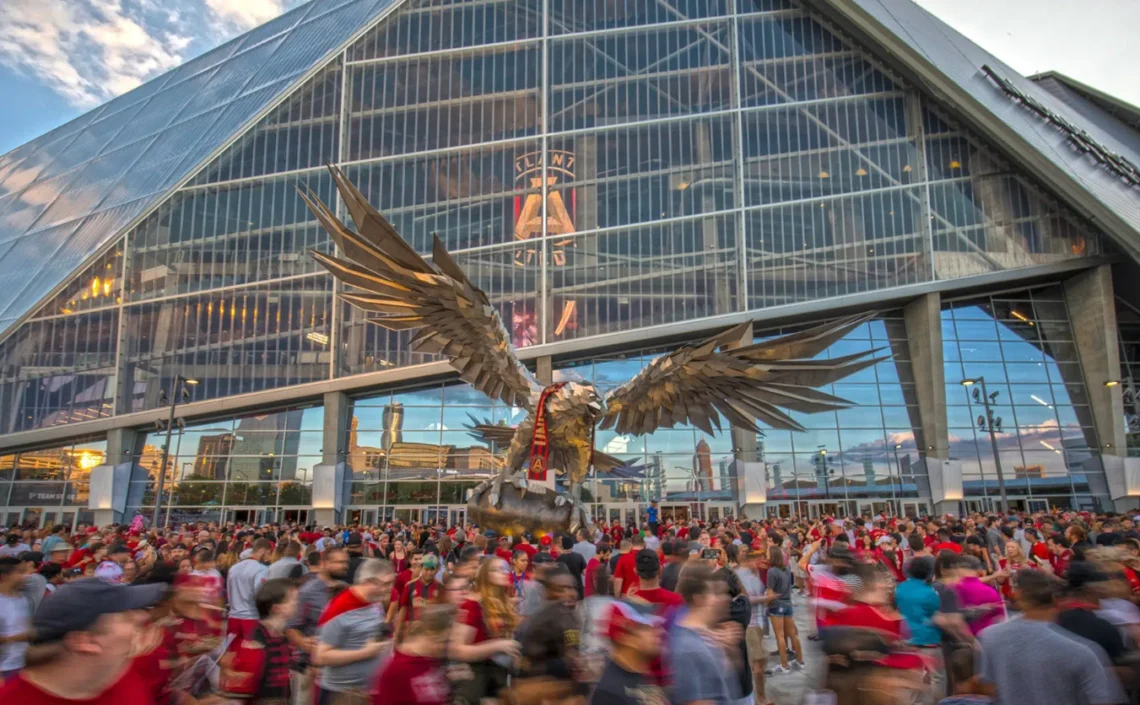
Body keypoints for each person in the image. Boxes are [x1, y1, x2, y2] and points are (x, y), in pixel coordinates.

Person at [0, 578, 165, 702]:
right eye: (126, 616)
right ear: (85, 642)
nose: (142, 616)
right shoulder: (13, 700)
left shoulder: (121, 676)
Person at [978, 568, 1124, 705]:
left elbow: (989, 687)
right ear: (1056, 600)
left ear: (1017, 596)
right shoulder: (1084, 651)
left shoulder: (991, 636)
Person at [314, 558, 396, 704]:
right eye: (386, 583)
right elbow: (320, 657)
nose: (390, 588)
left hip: (367, 692)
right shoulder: (338, 609)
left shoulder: (374, 602)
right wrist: (365, 653)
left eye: (392, 583)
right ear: (367, 582)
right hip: (340, 695)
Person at [449, 558, 521, 705]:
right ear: (487, 575)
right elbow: (457, 649)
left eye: (506, 568)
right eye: (498, 569)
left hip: (500, 674)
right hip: (476, 678)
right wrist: (496, 646)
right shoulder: (473, 604)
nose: (504, 572)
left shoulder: (505, 602)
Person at [218, 578, 299, 704]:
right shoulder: (256, 641)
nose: (297, 603)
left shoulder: (283, 635)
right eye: (293, 600)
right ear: (278, 608)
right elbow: (240, 692)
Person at [287, 547, 349, 703]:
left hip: (337, 668)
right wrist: (303, 642)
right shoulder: (307, 592)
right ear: (324, 563)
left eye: (345, 562)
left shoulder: (345, 589)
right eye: (338, 562)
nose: (344, 566)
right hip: (309, 668)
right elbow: (291, 626)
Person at [668, 563, 735, 705]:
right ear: (699, 598)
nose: (718, 599)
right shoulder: (688, 648)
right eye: (713, 593)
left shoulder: (704, 635)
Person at [372, 605, 453, 705]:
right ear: (434, 635)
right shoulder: (395, 671)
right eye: (447, 641)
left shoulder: (431, 662)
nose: (450, 648)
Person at [590, 600, 665, 705]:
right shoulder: (609, 694)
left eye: (655, 625)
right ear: (624, 637)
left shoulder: (643, 675)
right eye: (647, 627)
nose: (660, 631)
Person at [765, 545, 802, 675]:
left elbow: (770, 593)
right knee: (793, 634)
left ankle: (784, 665)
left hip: (776, 605)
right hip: (787, 604)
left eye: (767, 553)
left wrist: (764, 604)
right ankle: (800, 660)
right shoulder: (786, 568)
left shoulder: (771, 571)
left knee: (780, 636)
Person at [228, 538, 272, 641]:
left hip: (233, 617)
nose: (269, 557)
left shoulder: (233, 568)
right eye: (268, 553)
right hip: (251, 617)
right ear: (262, 551)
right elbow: (260, 594)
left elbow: (229, 592)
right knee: (252, 649)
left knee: (232, 649)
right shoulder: (261, 569)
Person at [395, 554, 441, 642]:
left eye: (432, 569)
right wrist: (397, 632)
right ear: (421, 568)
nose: (429, 572)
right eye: (426, 569)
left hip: (430, 635)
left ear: (437, 570)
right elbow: (403, 609)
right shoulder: (410, 586)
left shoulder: (440, 588)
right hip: (410, 632)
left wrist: (424, 603)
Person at [0, 557, 30, 679]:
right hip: (4, 669)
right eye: (20, 572)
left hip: (23, 665)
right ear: (4, 576)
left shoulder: (22, 598)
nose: (25, 576)